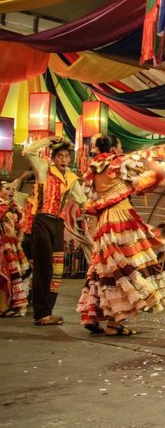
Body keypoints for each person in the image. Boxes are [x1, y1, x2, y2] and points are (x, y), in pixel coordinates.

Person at [76, 135, 165, 335]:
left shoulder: (93, 169)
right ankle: (114, 323)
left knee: (104, 269)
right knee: (125, 268)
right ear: (114, 148)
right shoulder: (119, 162)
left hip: (104, 220)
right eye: (120, 144)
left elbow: (91, 198)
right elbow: (141, 183)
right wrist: (158, 177)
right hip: (121, 218)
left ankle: (94, 314)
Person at [23, 137, 86, 326]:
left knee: (57, 269)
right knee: (43, 267)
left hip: (58, 223)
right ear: (54, 157)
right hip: (42, 220)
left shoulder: (72, 179)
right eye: (60, 156)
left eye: (67, 156)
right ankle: (41, 313)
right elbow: (28, 152)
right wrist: (48, 140)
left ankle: (47, 312)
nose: (64, 160)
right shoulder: (44, 169)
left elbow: (83, 201)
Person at [0, 180, 31, 317]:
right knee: (3, 275)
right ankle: (2, 307)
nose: (11, 191)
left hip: (12, 245)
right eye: (7, 188)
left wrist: (19, 238)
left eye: (12, 189)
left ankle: (7, 304)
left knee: (13, 276)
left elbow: (19, 227)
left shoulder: (12, 208)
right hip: (2, 244)